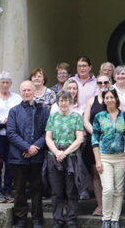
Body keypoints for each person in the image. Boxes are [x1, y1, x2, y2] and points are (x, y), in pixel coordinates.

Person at [8, 80, 49, 228]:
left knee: (37, 189)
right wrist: (26, 148)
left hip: (37, 157)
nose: (26, 93)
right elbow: (11, 133)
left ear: (34, 91)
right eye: (23, 90)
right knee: (19, 190)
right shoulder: (14, 111)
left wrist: (35, 147)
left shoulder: (43, 110)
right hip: (18, 157)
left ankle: (37, 219)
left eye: (29, 90)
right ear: (21, 92)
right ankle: (21, 220)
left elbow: (47, 132)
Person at [45, 90, 86, 228]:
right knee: (56, 191)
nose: (63, 103)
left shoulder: (76, 117)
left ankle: (71, 219)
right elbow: (48, 138)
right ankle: (58, 219)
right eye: (61, 100)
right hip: (54, 157)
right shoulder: (53, 117)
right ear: (58, 102)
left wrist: (65, 153)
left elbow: (79, 138)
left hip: (71, 157)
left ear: (71, 102)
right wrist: (57, 152)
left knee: (71, 190)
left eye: (66, 100)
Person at [92, 88, 125, 228]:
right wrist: (97, 160)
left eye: (112, 97)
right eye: (107, 98)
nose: (109, 100)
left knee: (119, 190)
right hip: (105, 157)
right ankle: (106, 218)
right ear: (104, 100)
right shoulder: (99, 116)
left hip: (121, 157)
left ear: (116, 99)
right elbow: (94, 138)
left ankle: (115, 219)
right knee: (108, 189)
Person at [0, 71, 22, 203]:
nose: (5, 85)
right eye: (3, 82)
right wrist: (3, 120)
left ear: (11, 83)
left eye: (8, 82)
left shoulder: (17, 98)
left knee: (10, 164)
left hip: (12, 136)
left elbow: (20, 115)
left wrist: (12, 121)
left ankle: (8, 191)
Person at [83, 75, 112, 216]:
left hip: (111, 142)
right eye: (99, 82)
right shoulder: (91, 101)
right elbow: (86, 120)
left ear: (110, 83)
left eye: (105, 82)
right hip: (94, 142)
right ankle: (100, 205)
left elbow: (120, 117)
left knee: (110, 174)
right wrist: (96, 133)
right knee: (96, 174)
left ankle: (110, 206)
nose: (102, 84)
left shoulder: (114, 100)